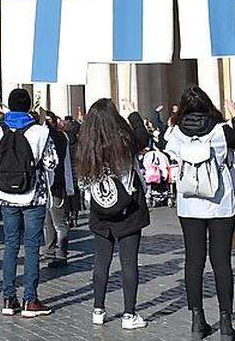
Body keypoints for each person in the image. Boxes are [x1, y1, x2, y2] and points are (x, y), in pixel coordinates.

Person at [164, 88, 235, 340]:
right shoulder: (221, 129)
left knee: (193, 260)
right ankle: (226, 321)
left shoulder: (176, 132)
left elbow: (167, 153)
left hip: (189, 202)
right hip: (220, 202)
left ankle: (196, 319)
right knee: (222, 262)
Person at [74, 98, 151, 330]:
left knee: (101, 260)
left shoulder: (86, 147)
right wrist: (133, 114)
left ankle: (98, 309)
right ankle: (129, 314)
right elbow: (143, 137)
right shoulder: (124, 142)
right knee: (129, 263)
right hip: (128, 210)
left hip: (100, 210)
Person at [0, 88, 57, 318]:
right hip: (33, 195)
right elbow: (51, 162)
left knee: (10, 245)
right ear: (29, 106)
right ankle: (30, 299)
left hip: (6, 195)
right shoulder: (40, 131)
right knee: (31, 246)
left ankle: (8, 297)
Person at [43, 112, 75, 269]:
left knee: (57, 222)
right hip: (52, 184)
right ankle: (50, 251)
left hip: (55, 184)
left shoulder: (56, 138)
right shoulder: (60, 137)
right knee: (49, 221)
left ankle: (60, 253)